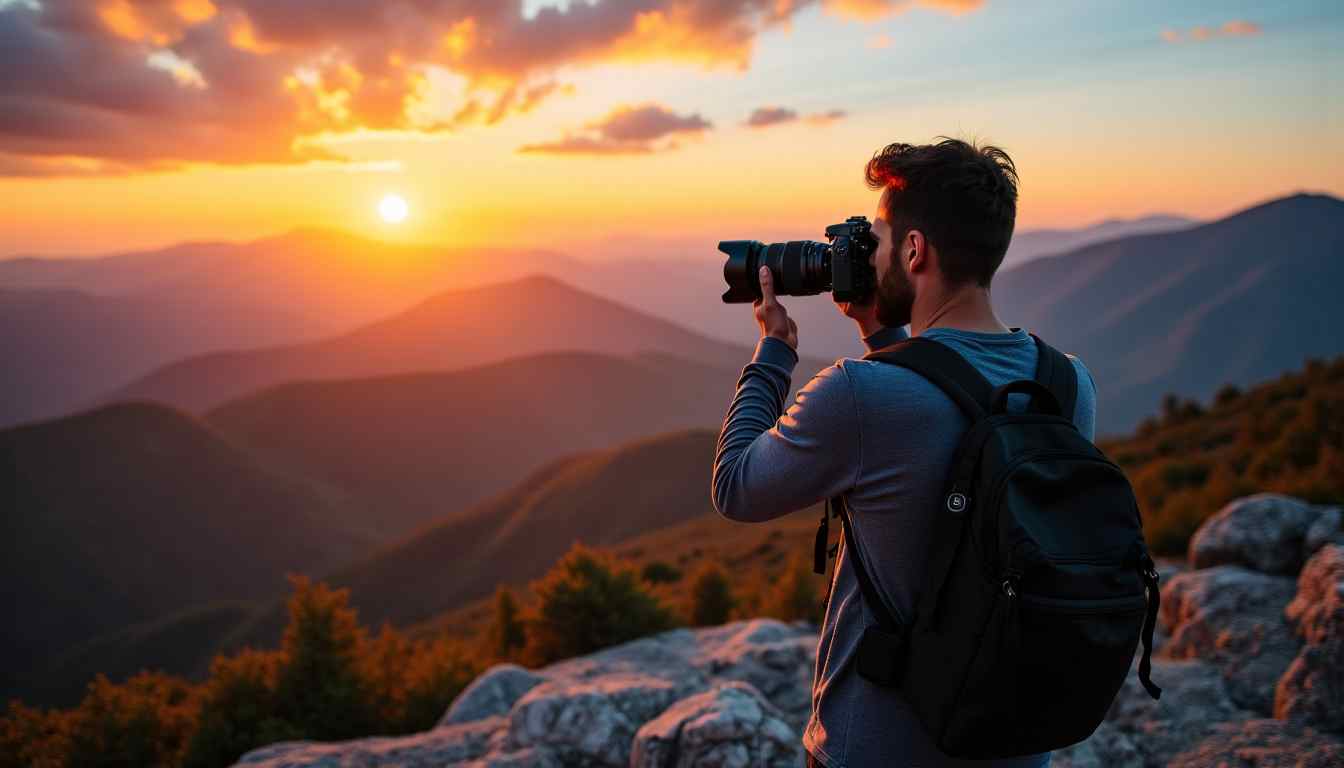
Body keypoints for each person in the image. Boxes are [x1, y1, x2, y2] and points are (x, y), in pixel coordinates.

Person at [711, 138, 1097, 768]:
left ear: (914, 251)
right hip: (1016, 747)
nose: (871, 255)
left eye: (881, 241)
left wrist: (773, 351)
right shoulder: (1070, 385)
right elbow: (947, 420)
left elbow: (735, 487)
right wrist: (880, 332)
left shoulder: (859, 395)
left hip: (875, 748)